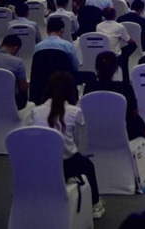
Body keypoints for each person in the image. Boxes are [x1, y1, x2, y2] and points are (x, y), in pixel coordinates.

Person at [31, 72, 104, 219]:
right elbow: (75, 143)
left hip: (41, 163)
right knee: (88, 166)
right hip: (65, 164)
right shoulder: (75, 112)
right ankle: (95, 204)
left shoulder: (36, 111)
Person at [83, 51, 145, 146]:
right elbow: (135, 112)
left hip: (97, 130)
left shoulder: (89, 87)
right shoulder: (124, 87)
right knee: (136, 119)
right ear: (116, 68)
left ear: (97, 67)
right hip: (123, 131)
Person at [96, 7, 137, 81]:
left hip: (102, 53)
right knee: (131, 48)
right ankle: (126, 80)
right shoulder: (119, 26)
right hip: (115, 54)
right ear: (114, 15)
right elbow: (129, 41)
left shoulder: (98, 26)